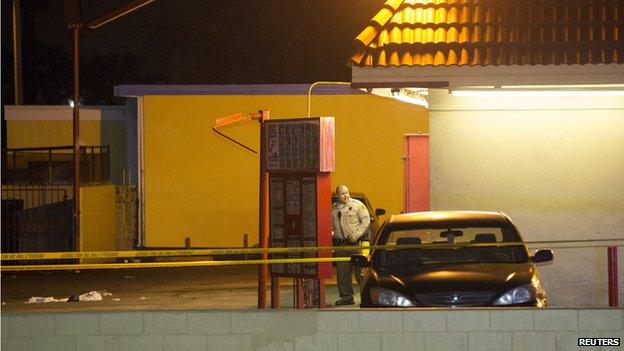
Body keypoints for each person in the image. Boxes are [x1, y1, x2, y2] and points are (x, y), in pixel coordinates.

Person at [331, 184, 371, 306]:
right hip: (340, 245)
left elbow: (366, 221)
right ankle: (346, 297)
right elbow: (329, 224)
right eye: (342, 193)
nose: (346, 195)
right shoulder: (333, 209)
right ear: (337, 195)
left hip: (355, 244)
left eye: (347, 192)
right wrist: (332, 235)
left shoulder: (358, 205)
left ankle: (366, 295)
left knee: (361, 272)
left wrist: (356, 235)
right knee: (342, 273)